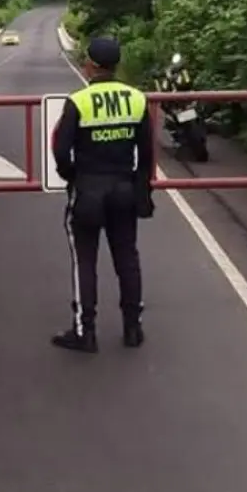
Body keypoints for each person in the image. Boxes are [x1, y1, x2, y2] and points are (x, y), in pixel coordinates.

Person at [51, 37, 154, 353]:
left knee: (85, 259)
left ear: (92, 65)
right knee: (127, 257)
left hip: (89, 190)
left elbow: (61, 150)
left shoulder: (79, 101)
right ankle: (133, 328)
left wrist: (73, 177)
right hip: (124, 188)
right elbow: (146, 152)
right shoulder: (136, 99)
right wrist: (142, 190)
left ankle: (86, 332)